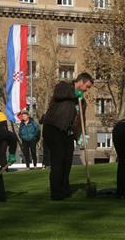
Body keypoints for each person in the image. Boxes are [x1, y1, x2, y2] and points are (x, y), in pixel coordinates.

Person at [43, 72, 94, 200]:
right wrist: (74, 94)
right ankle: (56, 192)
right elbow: (59, 95)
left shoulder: (82, 102)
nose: (87, 90)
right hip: (54, 128)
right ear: (81, 82)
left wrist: (80, 136)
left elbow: (80, 121)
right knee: (58, 160)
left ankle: (65, 189)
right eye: (87, 87)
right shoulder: (63, 86)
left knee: (67, 162)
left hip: (68, 133)